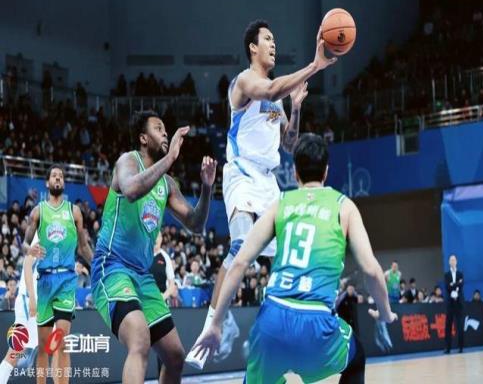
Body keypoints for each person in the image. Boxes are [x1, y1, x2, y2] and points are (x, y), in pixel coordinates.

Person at [187, 19, 338, 368]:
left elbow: (289, 144)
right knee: (240, 247)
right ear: (253, 47)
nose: (273, 43)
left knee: (286, 257)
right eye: (267, 39)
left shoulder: (278, 97)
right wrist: (314, 66)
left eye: (274, 39)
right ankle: (216, 324)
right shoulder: (244, 82)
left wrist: (296, 109)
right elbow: (269, 92)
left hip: (268, 182)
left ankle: (289, 329)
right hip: (241, 172)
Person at [193, 134, 397, 383]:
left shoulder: (281, 203)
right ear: (326, 171)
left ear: (295, 173)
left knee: (260, 366)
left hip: (272, 322)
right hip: (317, 325)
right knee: (356, 358)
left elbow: (239, 263)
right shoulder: (344, 206)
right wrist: (385, 313)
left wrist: (215, 324)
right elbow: (371, 270)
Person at [90, 110, 216, 384]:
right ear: (143, 138)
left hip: (142, 276)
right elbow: (131, 190)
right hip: (112, 267)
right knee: (139, 338)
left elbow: (195, 223)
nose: (165, 133)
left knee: (175, 356)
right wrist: (170, 158)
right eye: (159, 128)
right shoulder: (128, 161)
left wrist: (207, 188)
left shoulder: (167, 184)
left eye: (166, 129)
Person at [22, 165, 94, 384]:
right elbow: (24, 243)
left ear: (64, 183)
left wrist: (98, 265)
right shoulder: (38, 211)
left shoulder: (74, 211)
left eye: (61, 176)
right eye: (54, 175)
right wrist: (29, 249)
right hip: (45, 281)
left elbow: (83, 247)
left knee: (62, 342)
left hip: (65, 280)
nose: (58, 178)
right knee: (44, 346)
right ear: (47, 183)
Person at [0, 234, 40, 383]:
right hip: (28, 301)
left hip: (41, 304)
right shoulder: (43, 232)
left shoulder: (62, 241)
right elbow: (28, 262)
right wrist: (32, 298)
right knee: (15, 351)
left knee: (23, 350)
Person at [444, 254, 464, 354]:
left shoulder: (460, 274)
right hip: (450, 303)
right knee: (448, 325)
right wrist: (456, 285)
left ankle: (460, 347)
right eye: (451, 260)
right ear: (449, 262)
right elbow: (448, 287)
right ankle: (447, 348)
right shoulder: (446, 275)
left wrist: (454, 285)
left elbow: (461, 285)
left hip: (459, 302)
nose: (452, 262)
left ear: (456, 262)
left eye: (454, 260)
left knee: (460, 325)